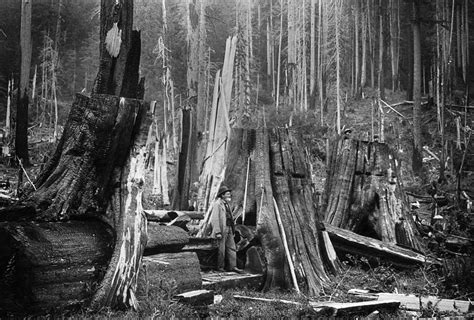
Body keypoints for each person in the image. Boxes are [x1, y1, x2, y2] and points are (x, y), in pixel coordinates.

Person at [208, 185, 243, 273]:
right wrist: (217, 232)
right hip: (222, 229)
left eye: (229, 194)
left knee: (232, 247)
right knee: (221, 249)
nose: (229, 195)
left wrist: (233, 229)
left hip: (229, 228)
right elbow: (215, 219)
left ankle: (233, 266)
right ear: (222, 195)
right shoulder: (217, 204)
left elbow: (230, 218)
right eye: (227, 194)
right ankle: (220, 267)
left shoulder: (227, 204)